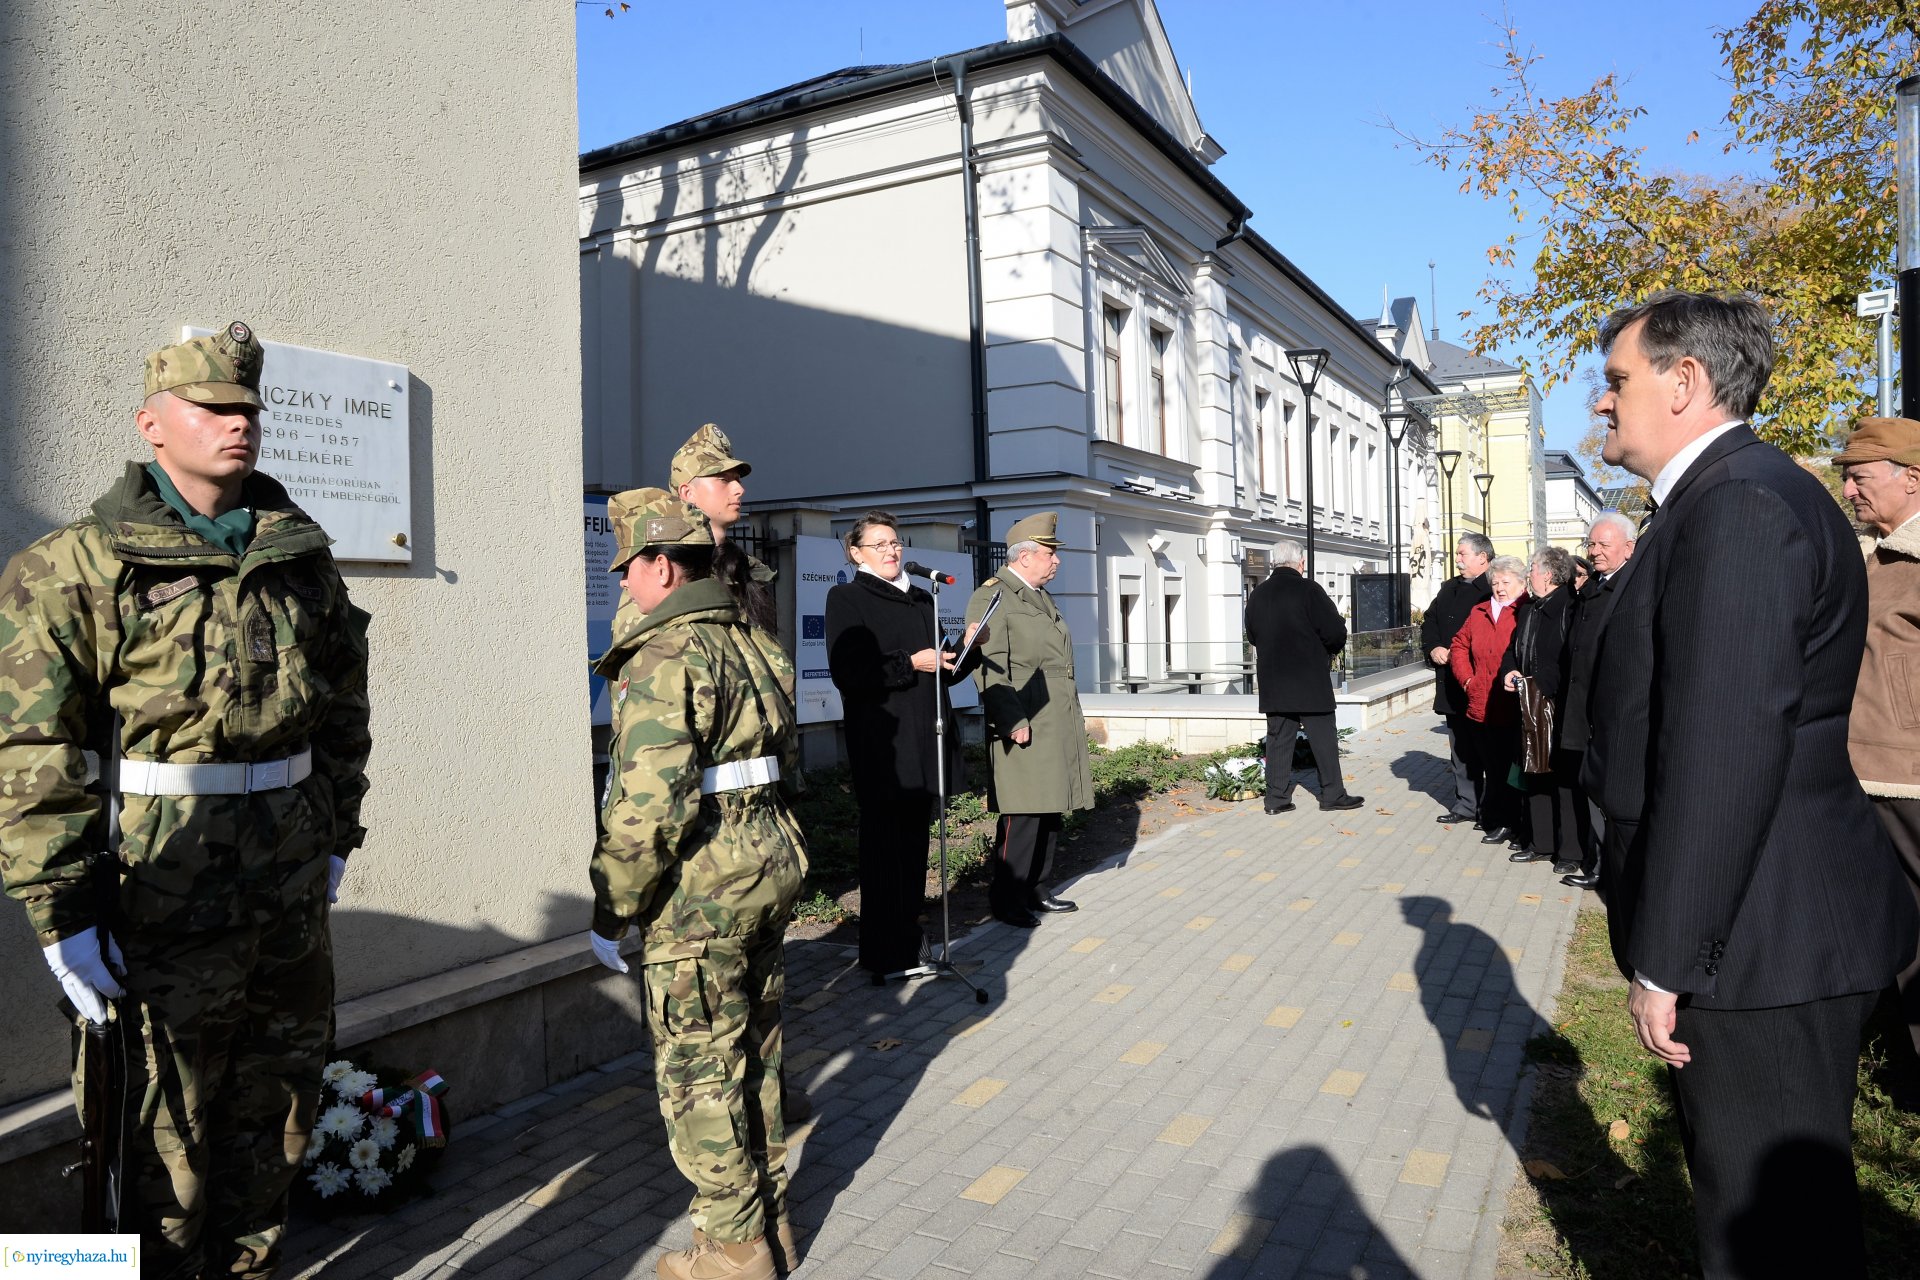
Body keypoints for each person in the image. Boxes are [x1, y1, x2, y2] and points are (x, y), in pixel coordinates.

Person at [0, 322, 372, 1277]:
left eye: (247, 407)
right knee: (158, 1138)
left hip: (287, 894)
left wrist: (336, 831)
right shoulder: (78, 567)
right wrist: (61, 910)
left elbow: (342, 707)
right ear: (153, 424)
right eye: (212, 408)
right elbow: (36, 749)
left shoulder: (298, 560)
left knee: (278, 1114)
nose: (236, 423)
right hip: (159, 900)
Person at [1583, 291, 1916, 1277]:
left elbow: (1723, 744)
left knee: (1769, 1239)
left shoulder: (1740, 503)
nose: (1602, 405)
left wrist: (1669, 956)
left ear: (1685, 381)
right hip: (1769, 924)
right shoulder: (1732, 495)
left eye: (1617, 381)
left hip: (1760, 939)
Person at [586, 489, 806, 1280]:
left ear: (657, 565)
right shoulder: (750, 638)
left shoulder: (668, 652)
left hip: (702, 884)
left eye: (628, 571)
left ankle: (732, 1250)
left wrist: (612, 909)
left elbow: (648, 810)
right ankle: (771, 1222)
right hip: (767, 861)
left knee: (699, 1066)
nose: (624, 588)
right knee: (757, 1052)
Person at [825, 511, 984, 976]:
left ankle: (911, 944)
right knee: (884, 851)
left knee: (914, 850)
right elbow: (850, 674)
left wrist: (968, 649)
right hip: (885, 745)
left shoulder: (921, 599)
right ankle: (882, 956)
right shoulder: (847, 598)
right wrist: (910, 662)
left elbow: (945, 675)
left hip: (925, 737)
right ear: (856, 553)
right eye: (879, 544)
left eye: (895, 542)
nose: (892, 551)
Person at [1836, 417, 1920, 1111]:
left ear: (1909, 479)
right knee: (1880, 923)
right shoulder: (1866, 553)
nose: (1849, 489)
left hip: (1912, 779)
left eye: (1861, 477)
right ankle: (1893, 1054)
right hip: (1859, 774)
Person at [964, 513, 1093, 928]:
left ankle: (1037, 887)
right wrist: (1011, 719)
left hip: (1054, 712)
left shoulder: (1037, 595)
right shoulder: (995, 596)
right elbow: (991, 666)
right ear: (1024, 556)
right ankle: (1007, 898)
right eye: (1050, 553)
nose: (1056, 561)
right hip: (1024, 712)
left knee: (1050, 805)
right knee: (1024, 810)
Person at [1244, 539, 1363, 814]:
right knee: (1323, 739)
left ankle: (1276, 800)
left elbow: (1252, 635)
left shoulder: (1258, 595)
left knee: (1278, 740)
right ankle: (1332, 795)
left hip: (1274, 681)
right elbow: (1335, 632)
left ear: (1274, 562)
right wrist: (1328, 652)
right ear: (1300, 563)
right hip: (1310, 679)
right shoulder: (1309, 590)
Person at [1559, 512, 1636, 890]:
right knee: (1589, 790)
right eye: (1591, 544)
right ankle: (1597, 866)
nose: (1595, 551)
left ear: (1629, 547)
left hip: (1612, 713)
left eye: (1604, 544)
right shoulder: (1591, 588)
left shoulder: (1632, 587)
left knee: (1610, 795)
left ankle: (1611, 872)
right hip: (1582, 711)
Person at [1499, 546, 1582, 872]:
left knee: (1561, 779)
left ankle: (1571, 853)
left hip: (1557, 706)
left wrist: (1538, 682)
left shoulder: (1568, 607)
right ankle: (1540, 843)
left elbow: (1570, 659)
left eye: (1532, 568)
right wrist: (1510, 670)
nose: (1528, 574)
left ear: (1547, 574)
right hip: (1528, 704)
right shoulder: (1530, 610)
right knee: (1533, 772)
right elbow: (1513, 649)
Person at [1449, 555, 1529, 846]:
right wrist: (1467, 679)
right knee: (1492, 766)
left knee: (1513, 769)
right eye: (1495, 582)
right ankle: (1496, 818)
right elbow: (1459, 645)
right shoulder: (1479, 610)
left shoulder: (1527, 611)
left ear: (1522, 584)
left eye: (1506, 582)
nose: (1499, 588)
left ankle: (1513, 822)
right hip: (1481, 702)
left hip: (1513, 705)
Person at [1420, 533, 1494, 824]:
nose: (1458, 559)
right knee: (1460, 749)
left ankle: (1494, 808)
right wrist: (1434, 647)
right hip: (1451, 685)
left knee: (1489, 751)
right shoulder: (1448, 587)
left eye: (1463, 554)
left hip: (1482, 684)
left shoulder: (1494, 587)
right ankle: (1466, 804)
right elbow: (1430, 622)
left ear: (1482, 557)